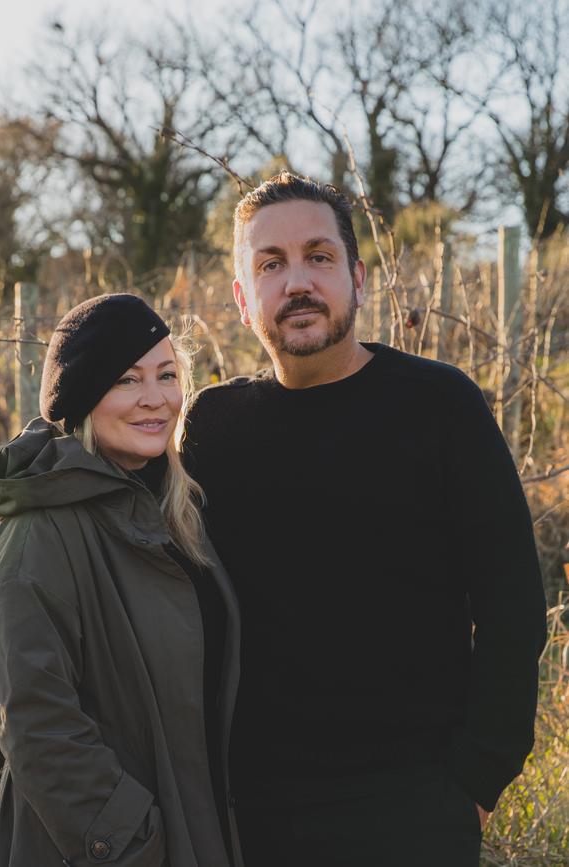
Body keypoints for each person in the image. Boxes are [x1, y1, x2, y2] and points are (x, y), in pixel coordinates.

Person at [184, 172, 548, 867]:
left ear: (356, 276)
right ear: (241, 297)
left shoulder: (441, 407)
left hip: (414, 807)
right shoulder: (212, 426)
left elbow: (513, 603)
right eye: (270, 264)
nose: (297, 282)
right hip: (253, 813)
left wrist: (477, 778)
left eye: (318, 257)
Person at [0, 294, 244, 867]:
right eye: (126, 379)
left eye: (167, 375)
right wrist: (133, 841)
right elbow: (35, 724)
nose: (156, 398)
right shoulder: (41, 532)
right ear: (82, 397)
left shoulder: (172, 510)